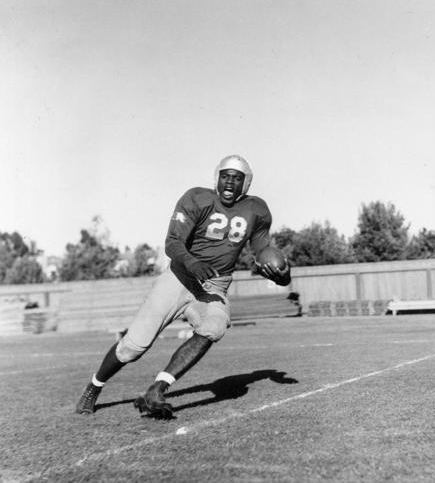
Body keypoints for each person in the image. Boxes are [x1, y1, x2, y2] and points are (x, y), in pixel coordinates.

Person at [75, 155, 291, 418]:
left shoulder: (256, 210)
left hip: (214, 286)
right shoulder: (196, 198)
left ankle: (158, 388)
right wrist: (192, 263)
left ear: (246, 184)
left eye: (237, 178)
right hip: (178, 278)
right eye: (226, 176)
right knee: (132, 348)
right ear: (216, 177)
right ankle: (94, 387)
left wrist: (278, 275)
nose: (230, 183)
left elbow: (261, 251)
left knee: (214, 327)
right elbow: (173, 243)